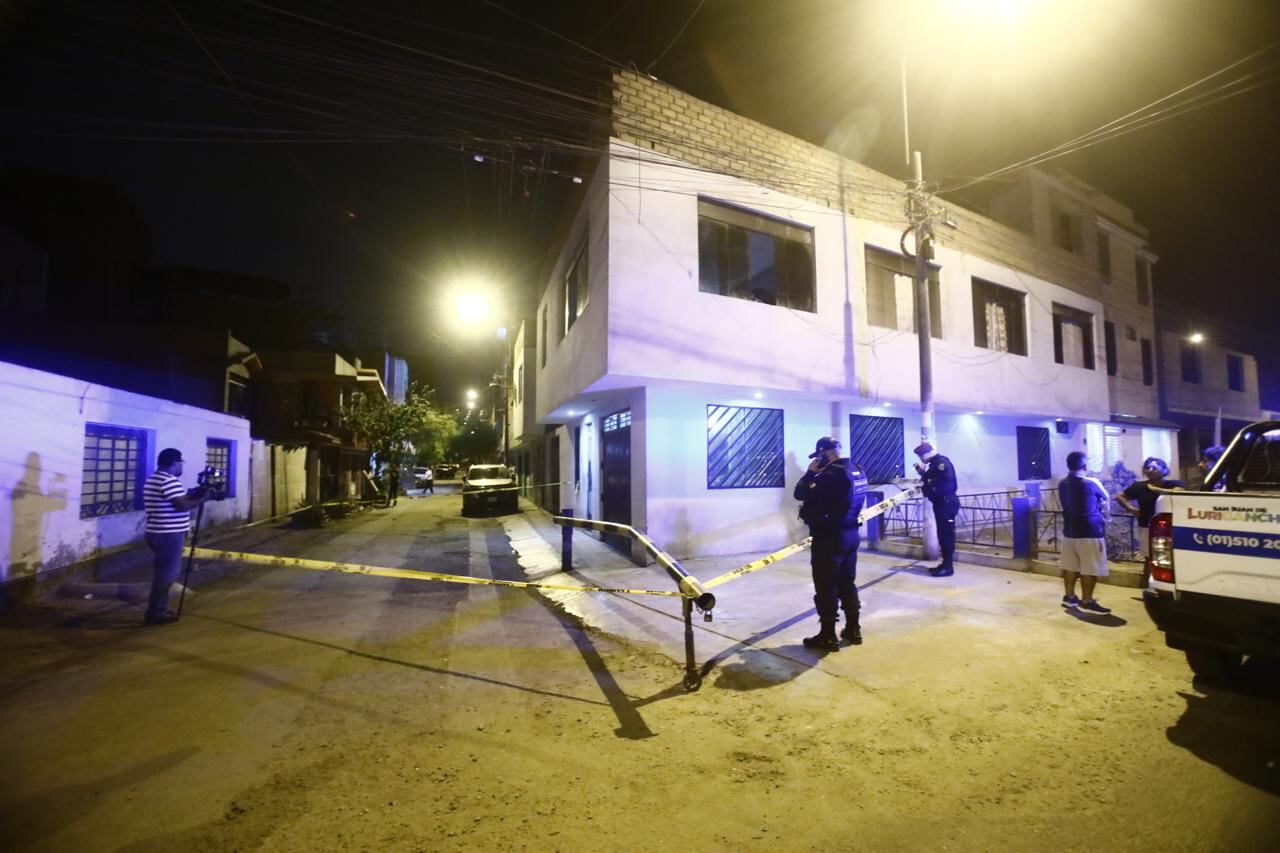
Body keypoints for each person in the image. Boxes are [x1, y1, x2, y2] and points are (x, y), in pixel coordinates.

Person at [793, 436, 868, 651]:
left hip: (829, 537)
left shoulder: (830, 475)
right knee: (847, 582)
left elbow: (800, 493)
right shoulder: (858, 470)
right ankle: (853, 629)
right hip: (851, 534)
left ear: (825, 453)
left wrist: (810, 472)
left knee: (826, 585)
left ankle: (827, 635)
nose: (819, 460)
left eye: (819, 456)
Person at [142, 448, 212, 626]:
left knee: (162, 573)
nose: (182, 466)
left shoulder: (154, 479)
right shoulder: (169, 480)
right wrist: (204, 498)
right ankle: (156, 613)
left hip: (157, 531)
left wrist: (192, 495)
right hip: (168, 533)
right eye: (181, 462)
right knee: (167, 575)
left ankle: (159, 609)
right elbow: (181, 506)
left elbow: (175, 501)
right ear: (174, 463)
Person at [1057, 451, 1112, 614]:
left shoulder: (1062, 483)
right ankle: (1087, 600)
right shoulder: (1091, 482)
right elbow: (1105, 498)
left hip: (1070, 532)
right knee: (1091, 568)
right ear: (1084, 466)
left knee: (1070, 566)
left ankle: (1069, 597)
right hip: (1089, 531)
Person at [1115, 456, 1184, 583]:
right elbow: (1120, 497)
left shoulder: (1174, 484)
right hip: (1147, 527)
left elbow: (1179, 493)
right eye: (1147, 468)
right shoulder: (1139, 486)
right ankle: (1147, 584)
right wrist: (1131, 509)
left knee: (1170, 556)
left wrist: (1156, 489)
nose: (1150, 470)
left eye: (1154, 467)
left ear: (1164, 470)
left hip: (1171, 528)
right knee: (1149, 557)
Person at [913, 441, 959, 577]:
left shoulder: (941, 463)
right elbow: (930, 478)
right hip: (942, 503)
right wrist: (922, 473)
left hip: (946, 504)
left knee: (947, 536)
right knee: (942, 534)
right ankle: (945, 564)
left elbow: (943, 483)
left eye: (921, 456)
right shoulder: (934, 464)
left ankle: (948, 567)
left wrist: (928, 485)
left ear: (927, 454)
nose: (920, 459)